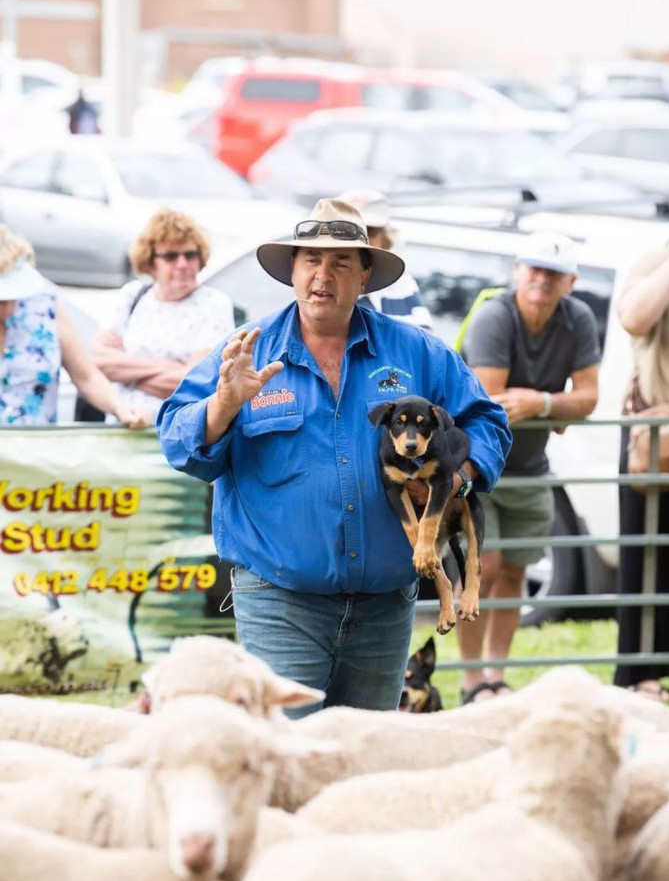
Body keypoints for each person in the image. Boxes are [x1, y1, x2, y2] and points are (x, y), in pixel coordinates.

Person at [157, 197, 511, 716]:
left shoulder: (418, 352)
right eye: (310, 261)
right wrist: (223, 405)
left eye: (341, 262)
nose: (324, 275)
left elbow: (488, 422)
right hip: (280, 603)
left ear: (365, 275)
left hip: (386, 609)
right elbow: (177, 439)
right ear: (293, 273)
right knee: (291, 757)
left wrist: (457, 479)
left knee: (364, 765)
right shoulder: (246, 351)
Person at [458, 231, 600, 704]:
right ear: (518, 270)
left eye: (553, 273)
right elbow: (494, 403)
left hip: (533, 468)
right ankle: (470, 678)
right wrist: (559, 406)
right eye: (534, 268)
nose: (542, 279)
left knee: (517, 570)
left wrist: (539, 401)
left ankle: (498, 675)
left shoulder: (577, 318)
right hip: (478, 469)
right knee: (484, 566)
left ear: (571, 281)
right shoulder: (495, 316)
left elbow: (589, 397)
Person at [92, 208, 235, 425]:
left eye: (190, 255)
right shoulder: (133, 296)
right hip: (121, 430)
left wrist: (126, 373)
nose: (182, 264)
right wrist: (168, 366)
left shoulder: (214, 304)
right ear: (151, 263)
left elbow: (197, 383)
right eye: (171, 256)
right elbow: (99, 362)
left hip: (177, 434)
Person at [0, 225, 143, 427]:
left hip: (34, 452)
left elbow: (87, 376)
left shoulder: (45, 307)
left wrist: (118, 407)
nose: (6, 304)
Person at [615, 242, 669, 702]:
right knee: (645, 556)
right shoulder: (653, 263)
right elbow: (634, 318)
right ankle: (642, 678)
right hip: (655, 438)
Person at [337, 188, 433, 330]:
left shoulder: (403, 285)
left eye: (369, 230)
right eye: (351, 231)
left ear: (384, 238)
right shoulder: (322, 288)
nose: (362, 240)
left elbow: (427, 346)